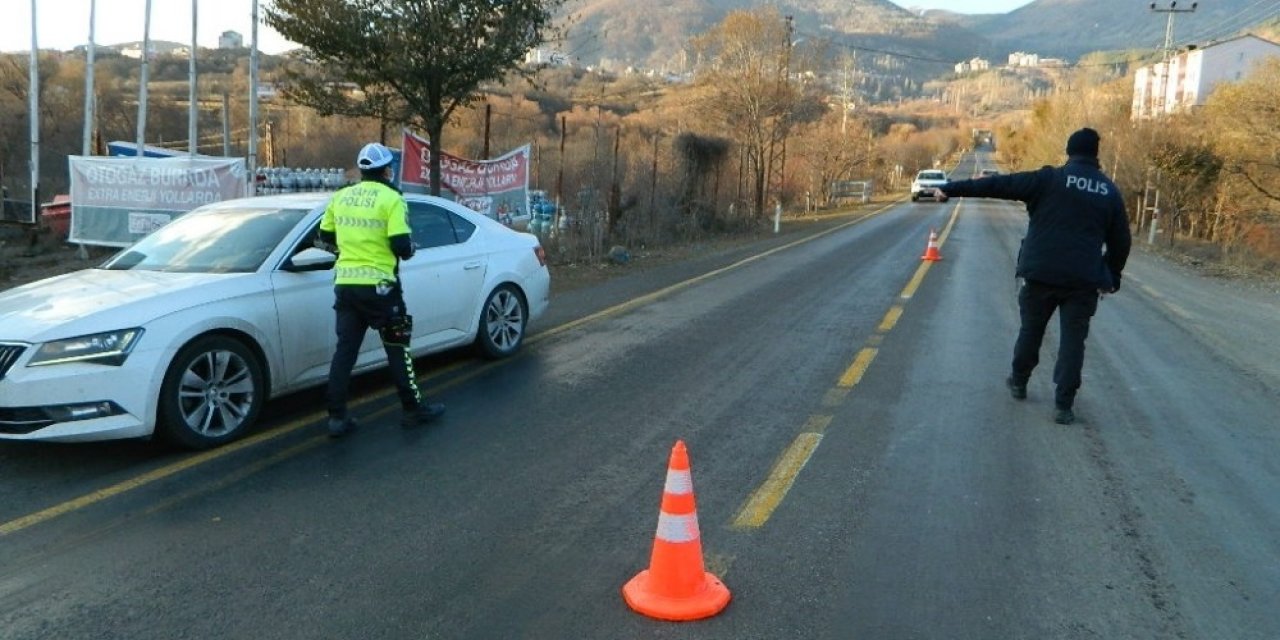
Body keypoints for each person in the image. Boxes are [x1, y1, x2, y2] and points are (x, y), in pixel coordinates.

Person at [934, 128, 1131, 425]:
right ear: (1096, 154)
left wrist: (950, 188)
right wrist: (1111, 275)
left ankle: (1019, 381)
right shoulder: (1109, 191)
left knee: (1031, 330)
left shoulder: (1048, 179)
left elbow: (999, 185)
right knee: (1073, 342)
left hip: (1041, 272)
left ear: (1069, 150)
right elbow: (1121, 240)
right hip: (1083, 280)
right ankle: (1064, 405)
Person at [317, 142, 445, 438]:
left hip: (346, 286)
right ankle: (413, 409)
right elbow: (401, 245)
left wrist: (350, 250)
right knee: (398, 348)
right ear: (387, 170)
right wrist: (409, 249)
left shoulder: (341, 197)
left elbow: (324, 236)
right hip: (382, 289)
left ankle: (337, 417)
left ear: (362, 170)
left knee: (345, 352)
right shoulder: (392, 198)